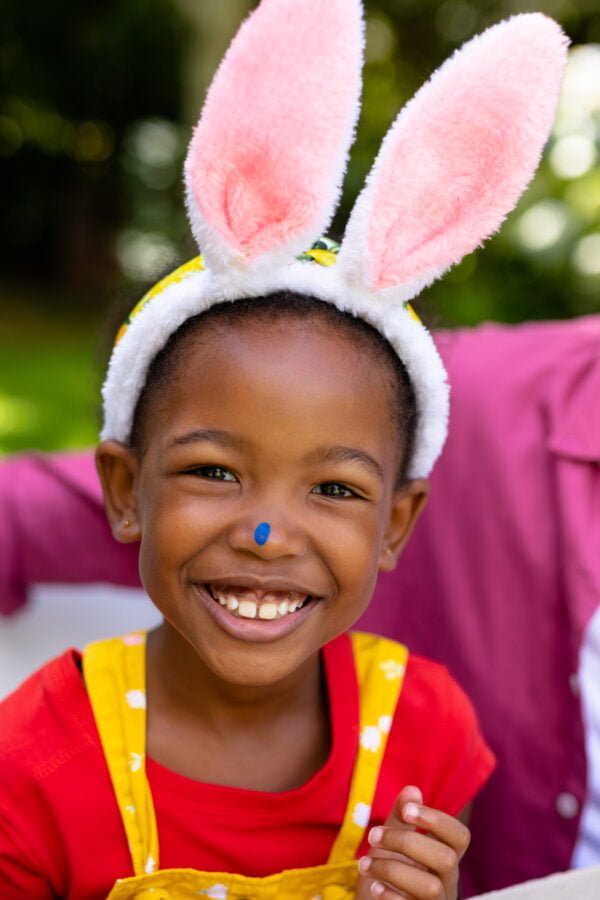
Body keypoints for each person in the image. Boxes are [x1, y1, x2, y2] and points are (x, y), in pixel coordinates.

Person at [0, 1, 566, 897]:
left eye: (336, 490)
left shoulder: (429, 734)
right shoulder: (28, 766)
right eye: (214, 472)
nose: (267, 534)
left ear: (397, 522)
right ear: (124, 490)